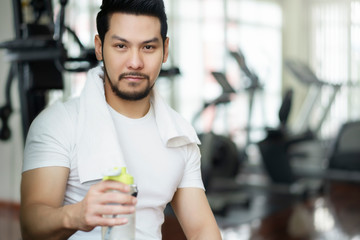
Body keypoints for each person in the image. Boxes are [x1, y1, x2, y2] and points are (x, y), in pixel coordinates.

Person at [20, 0, 222, 239]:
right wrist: (77, 215)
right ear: (99, 47)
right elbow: (32, 227)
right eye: (121, 46)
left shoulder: (180, 136)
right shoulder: (59, 123)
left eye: (148, 47)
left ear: (165, 50)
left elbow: (201, 230)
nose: (135, 62)